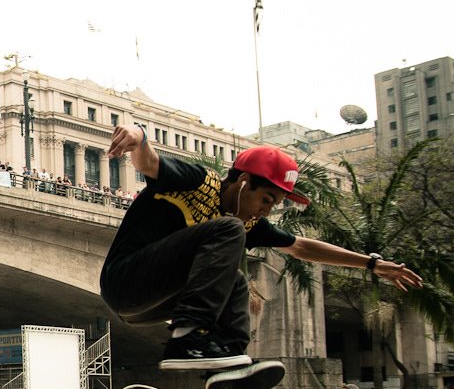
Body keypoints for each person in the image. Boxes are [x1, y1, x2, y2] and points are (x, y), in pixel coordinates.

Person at [100, 127, 422, 370]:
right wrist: (139, 135)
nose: (266, 211)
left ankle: (228, 355)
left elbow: (302, 247)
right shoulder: (198, 181)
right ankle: (189, 337)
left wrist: (370, 263)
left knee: (237, 279)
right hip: (124, 281)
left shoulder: (250, 223)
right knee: (230, 229)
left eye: (275, 204)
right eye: (266, 200)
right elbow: (151, 163)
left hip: (147, 306)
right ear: (243, 183)